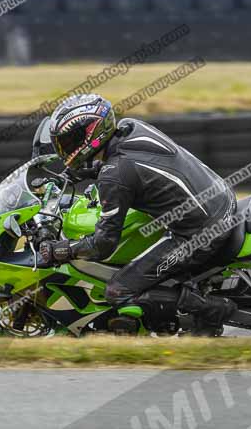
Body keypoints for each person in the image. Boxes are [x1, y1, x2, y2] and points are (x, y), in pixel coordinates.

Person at [37, 93, 237, 335]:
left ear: (92, 134)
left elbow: (103, 244)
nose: (64, 149)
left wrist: (64, 249)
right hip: (221, 199)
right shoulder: (130, 127)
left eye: (68, 142)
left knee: (118, 290)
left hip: (201, 232)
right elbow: (134, 166)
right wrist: (88, 171)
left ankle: (213, 310)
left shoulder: (115, 175)